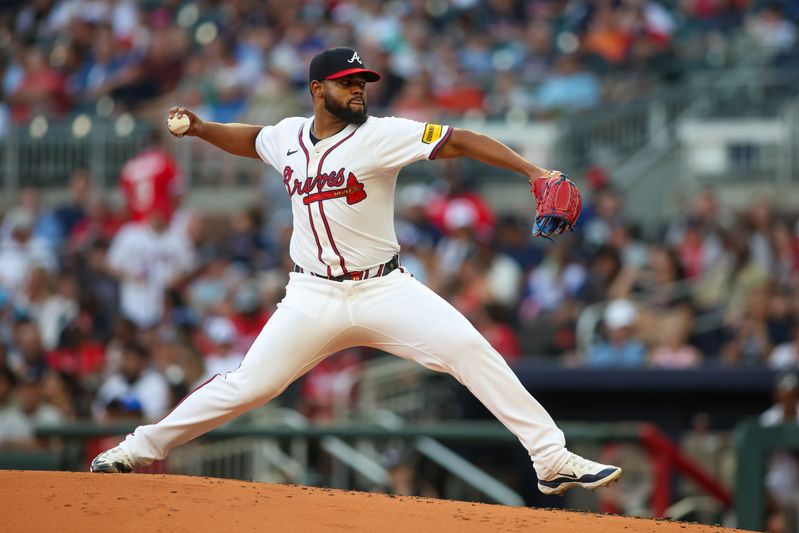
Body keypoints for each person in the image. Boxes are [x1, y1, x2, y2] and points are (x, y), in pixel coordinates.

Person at [91, 47, 621, 495]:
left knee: (469, 349)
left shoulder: (380, 135)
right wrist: (203, 128)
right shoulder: (289, 136)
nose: (360, 89)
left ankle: (551, 459)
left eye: (363, 81)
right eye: (348, 82)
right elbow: (251, 138)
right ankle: (137, 448)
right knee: (249, 385)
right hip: (311, 296)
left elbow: (456, 139)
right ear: (318, 89)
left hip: (384, 288)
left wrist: (533, 172)